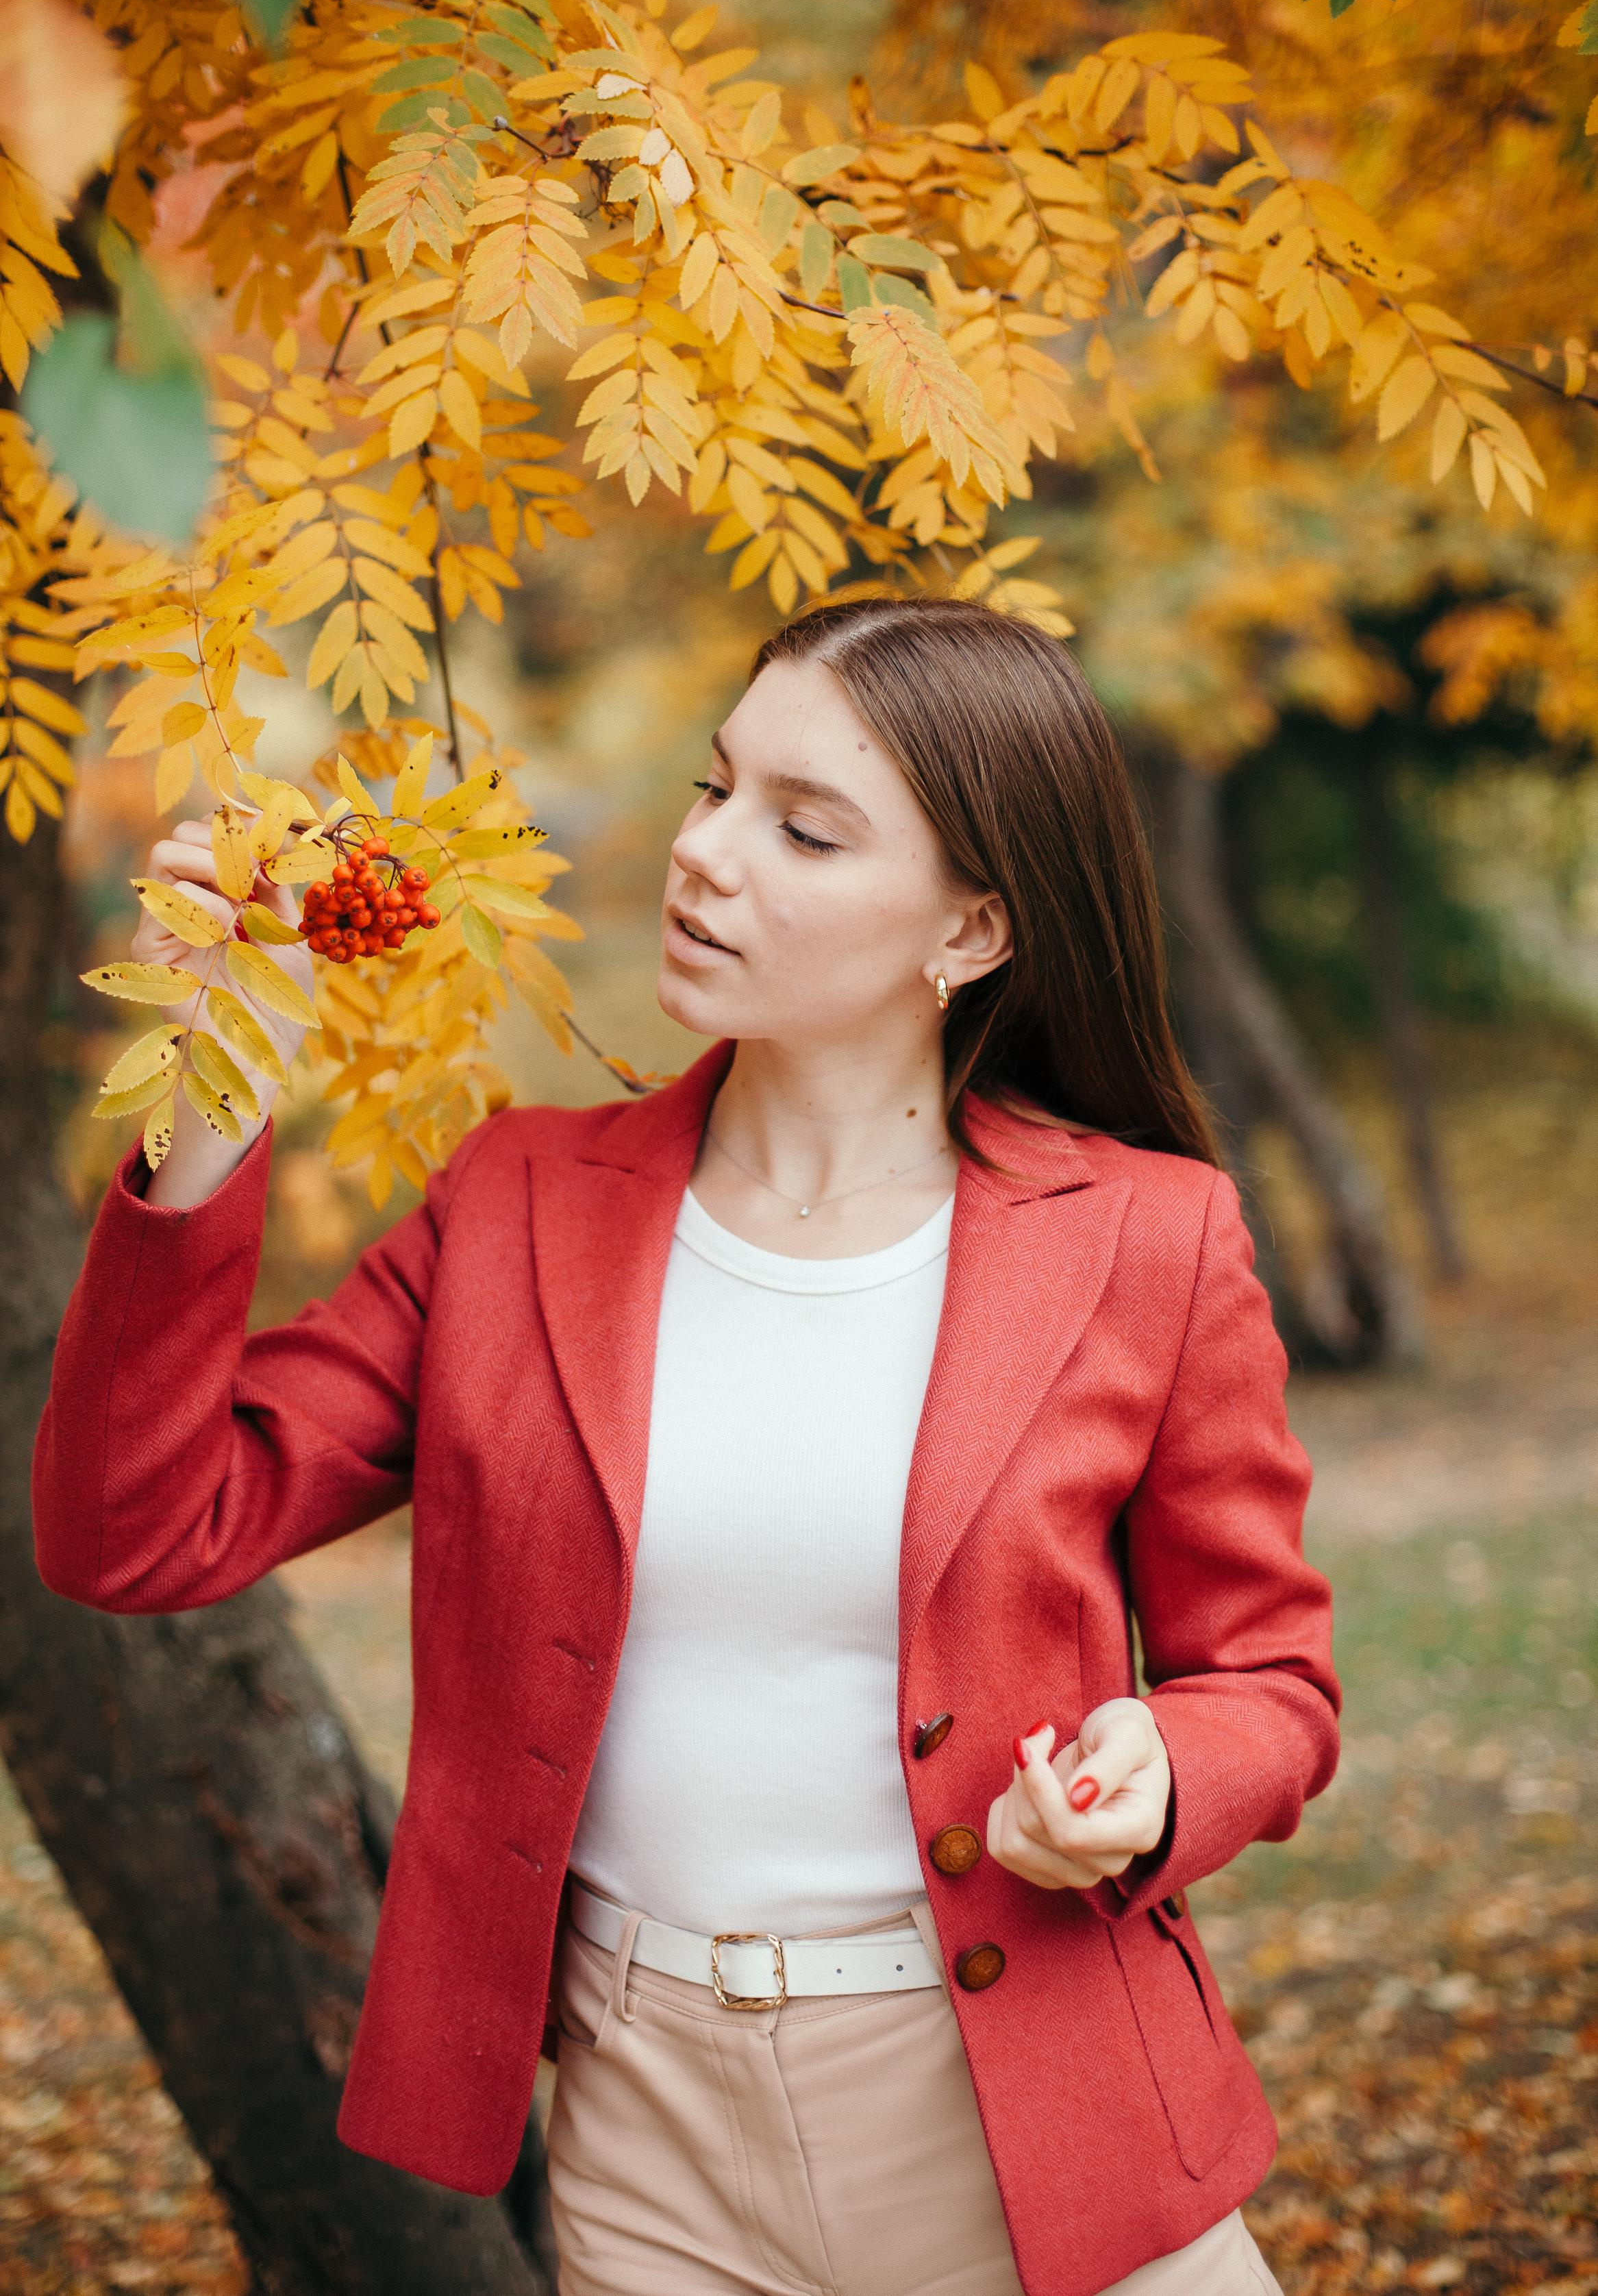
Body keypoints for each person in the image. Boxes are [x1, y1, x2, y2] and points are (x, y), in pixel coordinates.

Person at [33, 595, 1338, 2296]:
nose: (706, 854)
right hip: (648, 2139)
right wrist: (211, 1101)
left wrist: (1163, 1774)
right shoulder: (514, 1204)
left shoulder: (1150, 1241)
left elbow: (1274, 1685)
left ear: (971, 928)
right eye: (718, 787)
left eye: (802, 828)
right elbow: (132, 1532)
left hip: (1038, 2108)